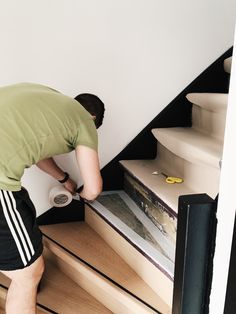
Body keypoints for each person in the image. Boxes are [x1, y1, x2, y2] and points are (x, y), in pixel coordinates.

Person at [0, 82, 105, 313]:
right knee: (29, 273)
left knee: (21, 200)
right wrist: (83, 196)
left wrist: (64, 179)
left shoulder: (48, 97)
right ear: (93, 117)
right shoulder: (84, 120)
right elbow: (94, 188)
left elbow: (40, 155)